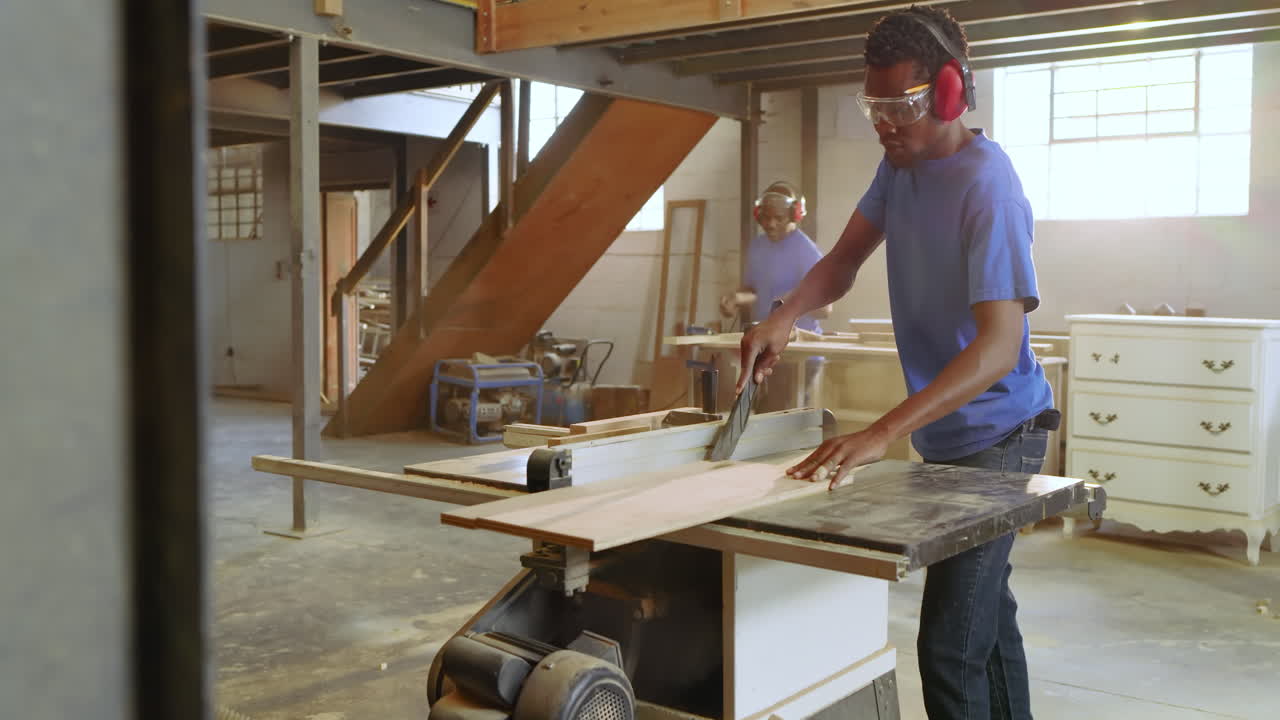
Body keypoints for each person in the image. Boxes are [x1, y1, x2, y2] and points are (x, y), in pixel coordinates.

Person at [735, 7, 1056, 719]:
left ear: (949, 93)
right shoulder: (899, 167)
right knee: (986, 623)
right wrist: (785, 315)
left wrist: (880, 433)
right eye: (874, 107)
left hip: (1001, 435)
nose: (884, 125)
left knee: (949, 646)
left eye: (900, 107)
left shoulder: (989, 188)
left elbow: (998, 348)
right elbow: (843, 260)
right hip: (950, 433)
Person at [720, 181, 831, 408]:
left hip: (798, 353)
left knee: (779, 413)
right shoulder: (757, 247)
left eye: (778, 218)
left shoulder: (806, 251)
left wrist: (788, 303)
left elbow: (825, 308)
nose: (770, 224)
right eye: (766, 218)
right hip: (766, 347)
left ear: (794, 215)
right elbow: (754, 291)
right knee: (761, 413)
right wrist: (735, 300)